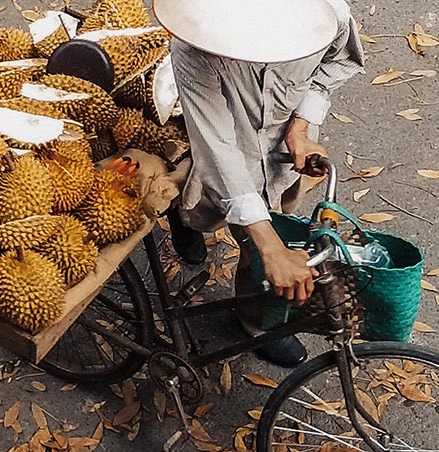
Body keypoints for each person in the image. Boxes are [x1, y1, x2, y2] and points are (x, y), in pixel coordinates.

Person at [154, 0, 364, 367]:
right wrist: (270, 247)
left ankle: (256, 324)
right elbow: (216, 146)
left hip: (283, 150)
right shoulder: (194, 47)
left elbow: (339, 60)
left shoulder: (328, 15)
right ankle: (183, 220)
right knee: (217, 214)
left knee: (274, 230)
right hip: (230, 147)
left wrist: (300, 124)